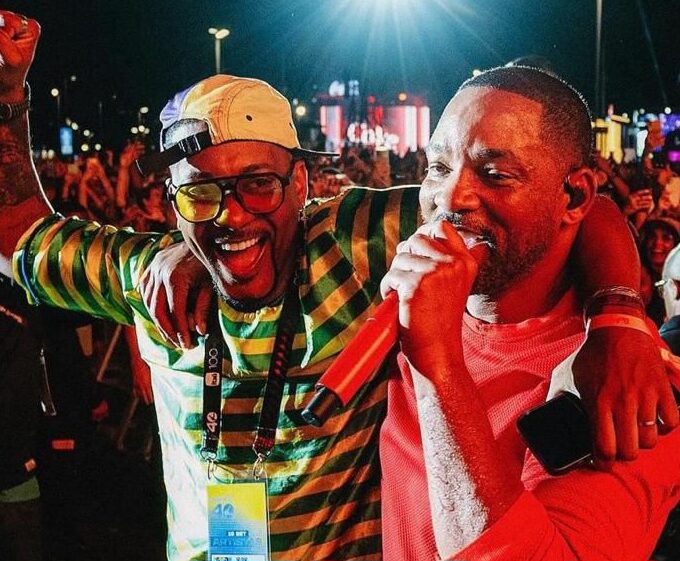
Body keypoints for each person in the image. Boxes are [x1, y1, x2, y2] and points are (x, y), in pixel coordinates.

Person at [0, 12, 677, 561]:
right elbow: (19, 236)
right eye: (201, 194)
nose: (232, 215)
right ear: (173, 203)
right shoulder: (146, 275)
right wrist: (7, 97)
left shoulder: (357, 243)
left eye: (258, 185)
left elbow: (575, 209)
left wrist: (619, 315)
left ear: (300, 183)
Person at [379, 65, 680, 561]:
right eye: (438, 167)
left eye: (495, 174)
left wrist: (438, 367)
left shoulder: (624, 375)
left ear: (574, 196)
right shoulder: (397, 276)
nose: (451, 198)